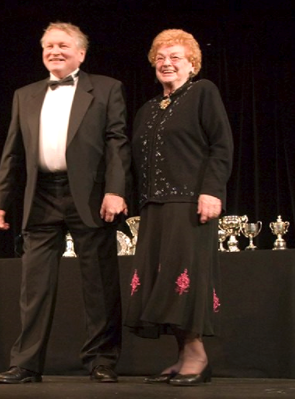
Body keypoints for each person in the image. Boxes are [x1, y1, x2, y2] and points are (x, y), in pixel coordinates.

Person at [0, 22, 131, 384]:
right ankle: (27, 363)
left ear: (81, 53)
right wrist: (0, 200)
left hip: (91, 195)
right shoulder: (25, 94)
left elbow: (117, 143)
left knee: (98, 282)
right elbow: (13, 153)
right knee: (33, 285)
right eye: (48, 46)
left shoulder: (107, 88)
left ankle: (102, 359)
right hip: (42, 195)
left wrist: (116, 190)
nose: (54, 51)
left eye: (63, 45)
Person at [124, 29, 233, 386]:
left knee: (186, 279)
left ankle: (198, 357)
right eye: (161, 58)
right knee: (163, 283)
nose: (167, 63)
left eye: (175, 58)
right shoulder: (148, 109)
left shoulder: (203, 92)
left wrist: (212, 191)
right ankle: (184, 356)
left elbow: (220, 145)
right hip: (154, 207)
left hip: (189, 203)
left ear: (192, 64)